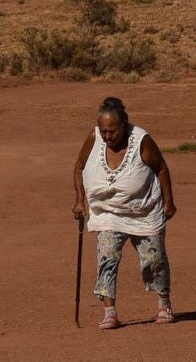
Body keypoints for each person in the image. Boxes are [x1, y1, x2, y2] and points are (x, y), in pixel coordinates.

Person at [74, 95, 177, 328]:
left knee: (154, 259)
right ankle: (109, 312)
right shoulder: (94, 138)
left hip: (143, 209)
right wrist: (80, 200)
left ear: (124, 125)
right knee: (107, 257)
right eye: (104, 131)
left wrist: (169, 202)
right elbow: (79, 167)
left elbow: (161, 168)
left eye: (113, 131)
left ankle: (164, 305)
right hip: (108, 212)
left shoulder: (142, 140)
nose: (108, 136)